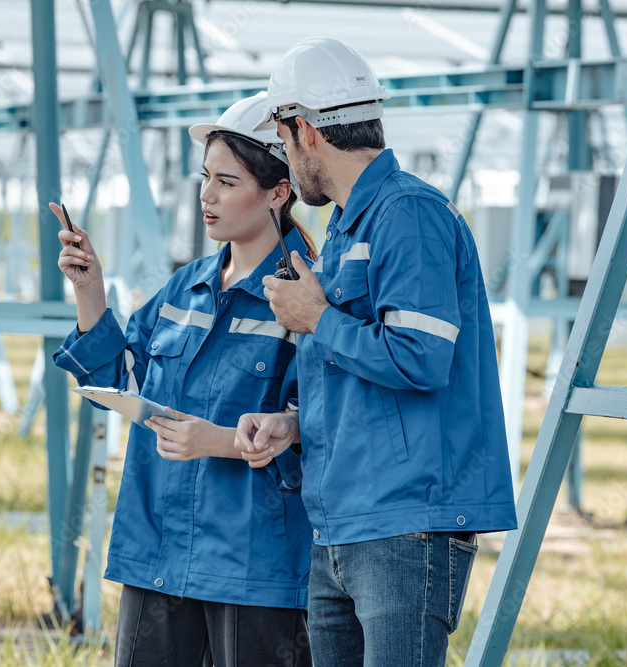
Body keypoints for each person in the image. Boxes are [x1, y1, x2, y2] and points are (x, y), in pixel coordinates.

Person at [234, 38, 518, 667]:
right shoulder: (348, 225)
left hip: (404, 522)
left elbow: (420, 357)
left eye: (281, 140)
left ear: (304, 130)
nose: (283, 155)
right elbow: (365, 383)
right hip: (344, 520)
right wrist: (295, 424)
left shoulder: (408, 215)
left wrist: (317, 318)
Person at [50, 92, 316, 667]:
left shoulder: (305, 299)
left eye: (226, 181)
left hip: (255, 567)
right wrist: (89, 290)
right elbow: (122, 381)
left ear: (278, 191)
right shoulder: (184, 290)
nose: (207, 195)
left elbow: (323, 429)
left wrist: (218, 441)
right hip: (158, 550)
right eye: (205, 178)